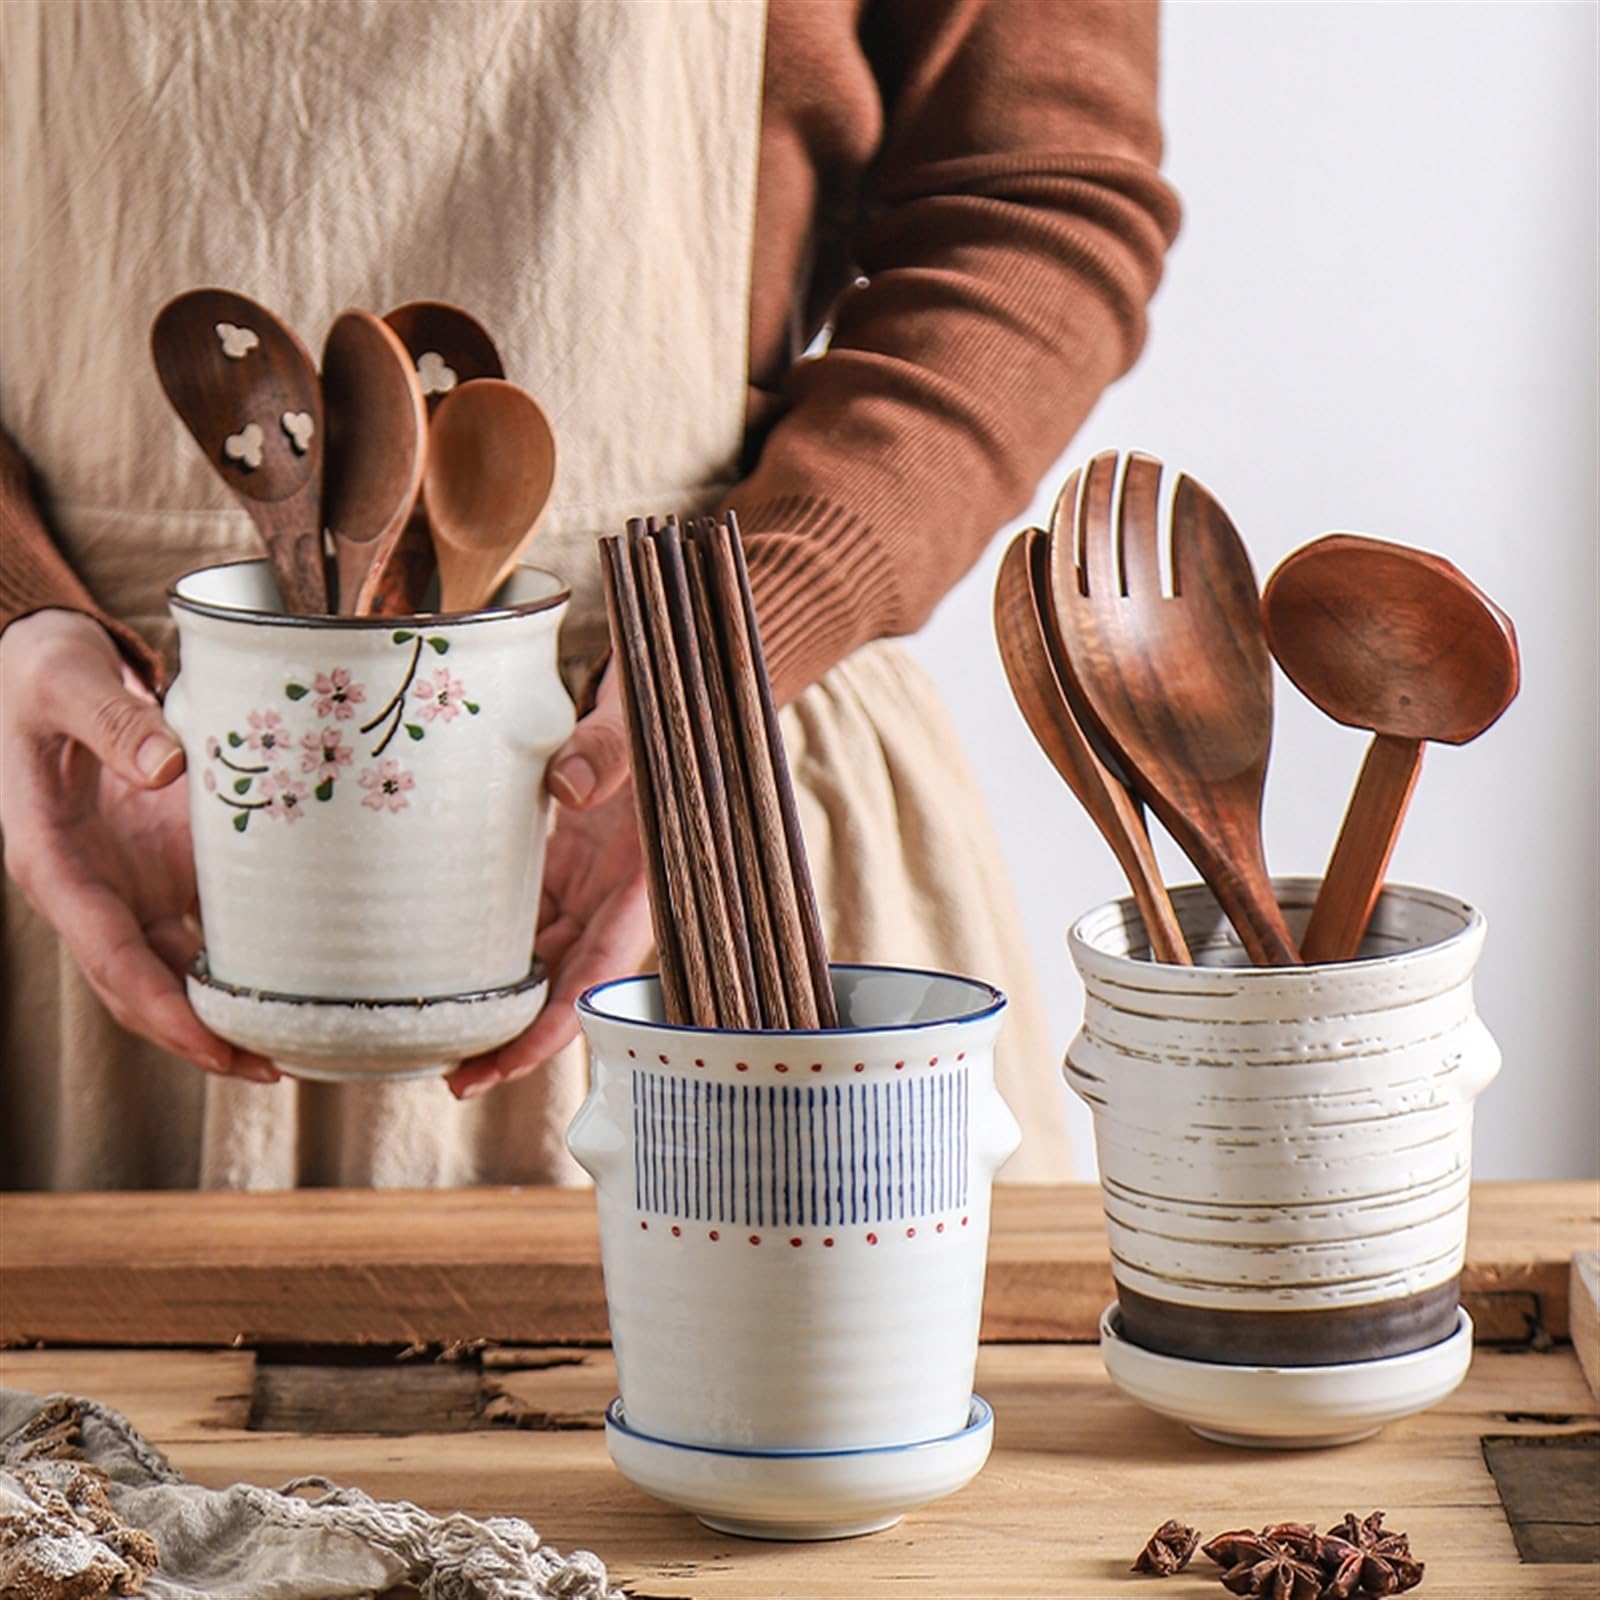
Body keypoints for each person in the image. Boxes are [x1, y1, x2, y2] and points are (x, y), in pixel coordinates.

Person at [0, 0, 1180, 1189]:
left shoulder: (713, 682)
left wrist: (740, 635)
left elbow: (1039, 203)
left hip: (707, 769)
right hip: (70, 781)